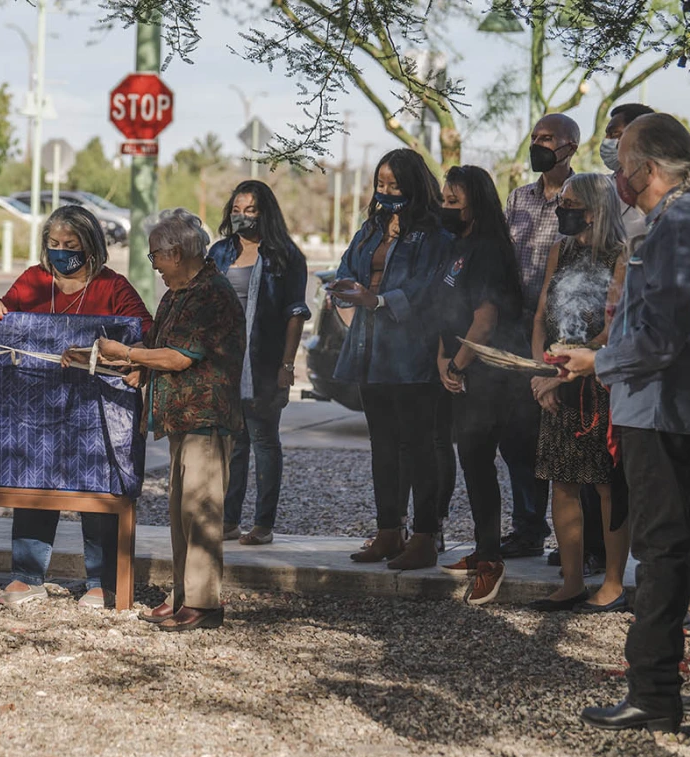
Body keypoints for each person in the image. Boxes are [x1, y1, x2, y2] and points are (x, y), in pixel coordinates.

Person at [566, 113, 690, 732]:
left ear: (647, 168)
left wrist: (599, 360)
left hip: (662, 410)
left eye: (622, 165)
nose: (617, 178)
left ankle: (653, 693)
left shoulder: (679, 222)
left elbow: (662, 335)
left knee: (664, 552)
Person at [0, 205, 153, 610]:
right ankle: (27, 575)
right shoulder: (34, 280)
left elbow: (143, 328)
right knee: (34, 481)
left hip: (98, 406)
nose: (60, 251)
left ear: (90, 246)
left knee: (99, 486)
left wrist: (136, 358)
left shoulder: (113, 286)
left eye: (69, 245)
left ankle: (101, 581)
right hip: (38, 401)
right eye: (53, 244)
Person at [95, 208, 245, 632]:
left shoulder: (209, 294)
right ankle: (183, 594)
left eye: (154, 256)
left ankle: (203, 604)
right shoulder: (179, 292)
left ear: (176, 253)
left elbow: (179, 356)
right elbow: (162, 349)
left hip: (206, 415)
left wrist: (125, 353)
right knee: (182, 511)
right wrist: (141, 368)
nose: (154, 265)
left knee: (200, 512)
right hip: (182, 416)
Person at [330, 148, 453, 570]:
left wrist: (378, 298)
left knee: (419, 446)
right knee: (382, 445)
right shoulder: (371, 229)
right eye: (380, 185)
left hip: (411, 352)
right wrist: (343, 287)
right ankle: (387, 531)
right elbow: (347, 266)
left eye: (394, 186)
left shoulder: (436, 234)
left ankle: (423, 537)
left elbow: (430, 290)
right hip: (370, 348)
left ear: (414, 186)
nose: (385, 193)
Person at [526, 173, 630, 613]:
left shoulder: (622, 257)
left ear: (594, 210)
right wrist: (539, 372)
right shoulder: (559, 251)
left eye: (569, 204)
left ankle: (612, 582)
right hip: (555, 386)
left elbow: (612, 331)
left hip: (598, 386)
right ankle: (570, 582)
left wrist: (563, 373)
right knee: (562, 483)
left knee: (606, 485)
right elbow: (539, 318)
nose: (560, 210)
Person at [434, 165, 533, 605]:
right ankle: (482, 549)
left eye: (454, 201)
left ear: (476, 202)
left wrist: (456, 364)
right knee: (472, 464)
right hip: (461, 368)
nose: (445, 207)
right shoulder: (457, 246)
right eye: (444, 200)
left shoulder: (490, 249)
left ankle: (492, 562)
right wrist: (443, 358)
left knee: (482, 461)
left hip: (491, 375)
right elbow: (448, 308)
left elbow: (486, 320)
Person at [208, 181, 311, 546]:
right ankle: (229, 520)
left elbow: (295, 314)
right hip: (225, 364)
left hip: (265, 364)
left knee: (264, 441)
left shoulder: (286, 256)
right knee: (233, 443)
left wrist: (287, 364)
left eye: (250, 210)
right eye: (237, 209)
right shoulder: (219, 253)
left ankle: (263, 524)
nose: (242, 216)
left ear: (264, 213)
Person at [500, 113, 581, 559]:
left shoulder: (583, 195)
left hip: (567, 333)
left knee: (568, 437)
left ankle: (579, 539)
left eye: (546, 138)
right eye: (534, 137)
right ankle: (529, 527)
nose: (538, 144)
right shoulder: (518, 199)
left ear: (570, 145)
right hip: (521, 331)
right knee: (518, 436)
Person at [600, 103, 655, 239]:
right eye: (606, 134)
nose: (607, 141)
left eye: (614, 133)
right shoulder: (599, 188)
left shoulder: (663, 190)